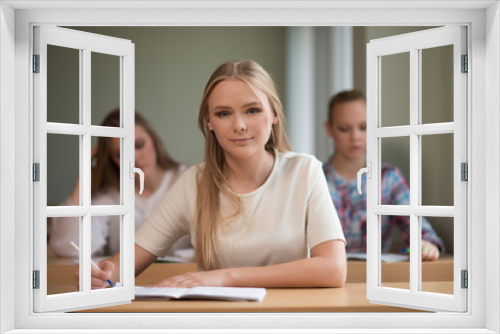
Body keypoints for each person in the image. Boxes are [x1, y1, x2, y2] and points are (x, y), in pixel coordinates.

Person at [76, 60, 346, 289]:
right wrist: (99, 277)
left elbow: (333, 270)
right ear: (209, 122)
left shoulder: (305, 171)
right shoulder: (193, 184)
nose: (239, 125)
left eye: (252, 110)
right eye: (224, 113)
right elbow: (120, 268)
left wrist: (226, 277)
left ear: (274, 114)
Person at [50, 109, 192, 258]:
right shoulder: (110, 198)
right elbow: (68, 247)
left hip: (185, 278)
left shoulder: (188, 180)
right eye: (121, 154)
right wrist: (82, 180)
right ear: (112, 160)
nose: (134, 158)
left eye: (139, 144)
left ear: (154, 139)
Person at [322, 89, 445, 261]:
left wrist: (426, 244)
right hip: (326, 279)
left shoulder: (389, 179)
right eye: (344, 129)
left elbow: (422, 233)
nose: (355, 137)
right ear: (329, 129)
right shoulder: (315, 180)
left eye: (363, 127)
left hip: (377, 279)